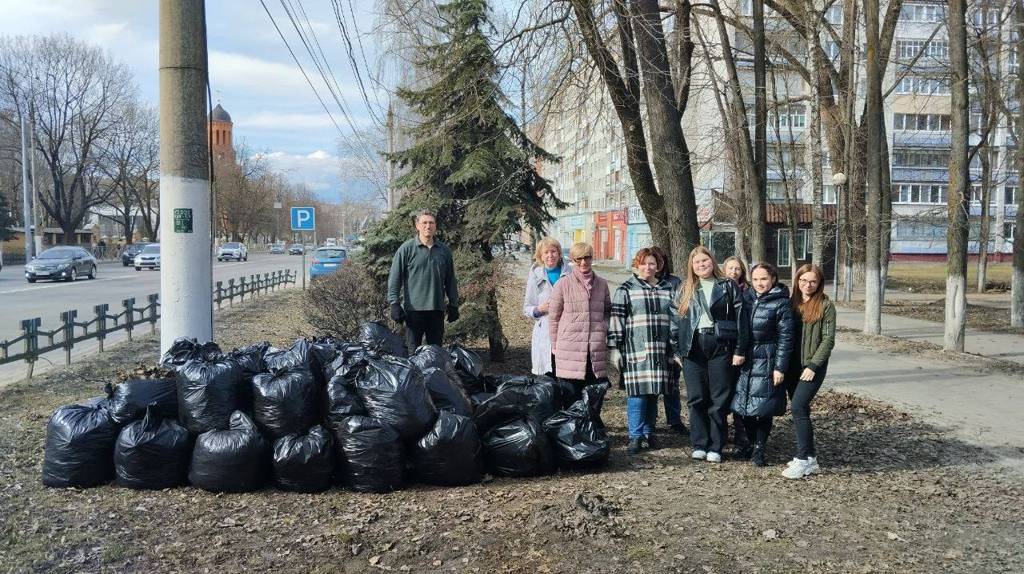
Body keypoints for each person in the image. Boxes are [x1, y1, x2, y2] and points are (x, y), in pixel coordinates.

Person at [669, 246, 746, 463]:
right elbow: (675, 320)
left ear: (712, 261)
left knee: (718, 398)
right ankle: (699, 443)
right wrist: (676, 350)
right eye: (697, 263)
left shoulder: (727, 286)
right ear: (691, 267)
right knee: (696, 398)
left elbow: (741, 318)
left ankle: (716, 445)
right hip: (693, 347)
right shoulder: (685, 288)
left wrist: (740, 349)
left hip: (721, 345)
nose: (702, 265)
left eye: (705, 261)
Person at [608, 248, 675, 454]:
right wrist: (614, 348)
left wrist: (675, 348)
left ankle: (648, 432)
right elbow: (617, 319)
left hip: (661, 350)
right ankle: (635, 436)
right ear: (637, 265)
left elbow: (675, 319)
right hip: (636, 350)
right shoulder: (626, 289)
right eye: (644, 263)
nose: (648, 267)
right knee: (637, 394)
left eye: (652, 263)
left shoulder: (668, 288)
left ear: (659, 266)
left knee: (654, 393)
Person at [732, 263, 795, 467]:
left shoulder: (781, 303)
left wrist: (780, 367)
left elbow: (786, 338)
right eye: (756, 279)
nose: (760, 283)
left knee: (764, 408)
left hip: (768, 358)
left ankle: (759, 448)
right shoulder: (746, 298)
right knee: (744, 407)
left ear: (773, 279)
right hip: (746, 360)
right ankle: (748, 443)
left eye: (764, 279)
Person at [782, 263, 836, 479]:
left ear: (819, 283)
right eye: (804, 280)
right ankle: (810, 457)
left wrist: (813, 366)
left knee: (798, 406)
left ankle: (803, 459)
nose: (808, 285)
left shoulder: (825, 305)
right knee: (801, 411)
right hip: (791, 366)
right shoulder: (791, 302)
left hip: (812, 367)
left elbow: (828, 339)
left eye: (813, 281)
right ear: (797, 281)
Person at [387, 210, 459, 353]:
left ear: (435, 226)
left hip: (436, 310)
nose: (428, 226)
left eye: (431, 223)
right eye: (424, 223)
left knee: (436, 353)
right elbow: (395, 278)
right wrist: (394, 303)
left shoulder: (444, 251)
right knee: (413, 352)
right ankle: (415, 376)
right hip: (414, 311)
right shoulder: (406, 249)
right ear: (417, 226)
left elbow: (450, 280)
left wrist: (453, 304)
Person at [548, 242, 611, 402]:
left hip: (594, 349)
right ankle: (573, 426)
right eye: (578, 259)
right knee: (571, 396)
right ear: (573, 260)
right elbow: (554, 318)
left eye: (587, 258)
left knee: (595, 393)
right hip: (569, 348)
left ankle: (592, 425)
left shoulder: (602, 284)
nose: (583, 262)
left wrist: (603, 328)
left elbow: (607, 312)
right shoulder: (563, 284)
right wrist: (555, 345)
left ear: (592, 258)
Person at [649, 246, 686, 436]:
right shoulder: (645, 282)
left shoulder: (674, 282)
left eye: (659, 260)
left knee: (672, 382)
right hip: (651, 340)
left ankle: (674, 419)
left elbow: (680, 311)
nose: (656, 265)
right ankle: (651, 421)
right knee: (652, 383)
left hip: (671, 339)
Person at [523, 237, 571, 376]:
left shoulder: (570, 274)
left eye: (554, 251)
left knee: (566, 375)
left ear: (559, 253)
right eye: (546, 252)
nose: (550, 255)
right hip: (545, 331)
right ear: (541, 256)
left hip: (567, 330)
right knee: (548, 375)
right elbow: (527, 307)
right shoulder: (535, 275)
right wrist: (540, 309)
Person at [722, 255, 750, 453]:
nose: (734, 272)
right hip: (723, 348)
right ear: (724, 270)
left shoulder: (748, 292)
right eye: (730, 268)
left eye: (737, 269)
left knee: (740, 392)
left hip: (743, 348)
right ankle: (721, 434)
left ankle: (742, 433)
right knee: (723, 393)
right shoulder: (719, 288)